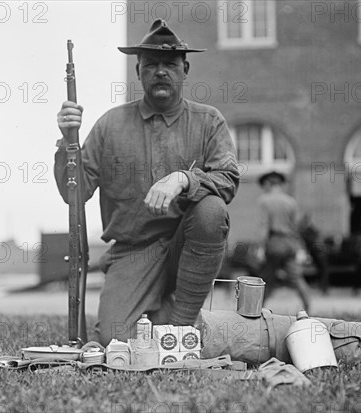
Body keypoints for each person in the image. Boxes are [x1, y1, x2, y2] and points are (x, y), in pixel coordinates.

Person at [54, 19, 239, 346]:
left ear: (186, 70)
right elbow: (76, 192)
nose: (161, 72)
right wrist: (67, 141)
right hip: (133, 253)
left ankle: (181, 328)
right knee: (114, 343)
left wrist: (184, 178)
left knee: (211, 209)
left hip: (187, 247)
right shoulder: (110, 124)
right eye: (150, 65)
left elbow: (227, 181)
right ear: (139, 72)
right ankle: (166, 316)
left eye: (170, 64)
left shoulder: (209, 121)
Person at [255, 171, 311, 312]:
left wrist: (260, 248)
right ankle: (307, 309)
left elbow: (264, 226)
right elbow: (295, 228)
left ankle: (257, 310)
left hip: (274, 243)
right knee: (297, 278)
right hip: (289, 244)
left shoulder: (264, 200)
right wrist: (300, 248)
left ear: (268, 184)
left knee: (267, 278)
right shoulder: (291, 201)